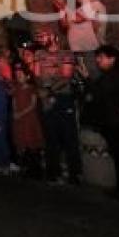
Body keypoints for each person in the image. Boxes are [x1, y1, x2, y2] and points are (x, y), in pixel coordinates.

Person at [83, 45, 119, 199]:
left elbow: (99, 94)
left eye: (101, 57)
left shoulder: (114, 75)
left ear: (112, 58)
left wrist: (87, 79)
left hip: (115, 121)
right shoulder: (111, 74)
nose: (98, 60)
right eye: (97, 57)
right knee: (118, 156)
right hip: (112, 120)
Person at [36, 33, 82, 185]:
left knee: (69, 137)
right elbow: (36, 74)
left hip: (63, 98)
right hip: (46, 98)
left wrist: (50, 91)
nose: (43, 40)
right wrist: (41, 90)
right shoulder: (39, 54)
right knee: (51, 137)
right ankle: (53, 172)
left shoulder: (66, 54)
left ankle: (74, 174)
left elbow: (66, 76)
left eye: (45, 37)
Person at [53, 0, 106, 79]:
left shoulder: (96, 5)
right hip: (78, 53)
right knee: (84, 81)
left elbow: (80, 19)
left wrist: (64, 5)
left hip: (91, 52)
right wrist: (60, 9)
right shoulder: (78, 10)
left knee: (95, 79)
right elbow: (64, 24)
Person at [11, 64, 44, 179]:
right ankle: (27, 168)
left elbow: (32, 104)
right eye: (17, 75)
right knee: (23, 143)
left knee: (32, 144)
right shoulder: (17, 89)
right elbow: (14, 102)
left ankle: (35, 169)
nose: (18, 76)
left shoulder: (31, 89)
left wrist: (21, 113)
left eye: (21, 74)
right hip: (20, 119)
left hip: (29, 119)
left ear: (27, 76)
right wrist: (15, 112)